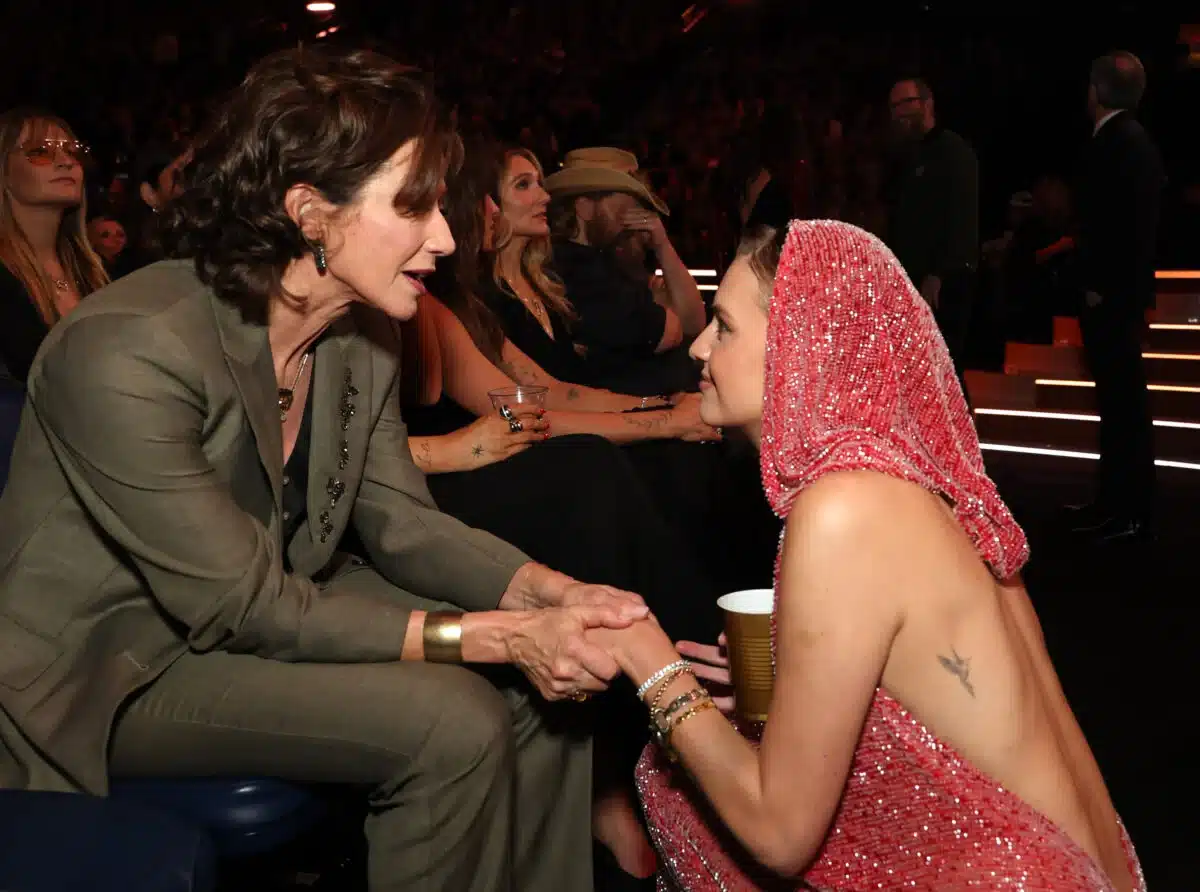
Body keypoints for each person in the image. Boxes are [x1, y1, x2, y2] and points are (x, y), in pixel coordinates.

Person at [0, 47, 649, 892]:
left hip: (266, 606)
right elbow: (242, 604)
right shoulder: (126, 348)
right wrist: (497, 636)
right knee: (453, 721)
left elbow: (402, 522)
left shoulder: (363, 331)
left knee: (547, 695)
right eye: (414, 206)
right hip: (114, 667)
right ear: (309, 211)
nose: (446, 238)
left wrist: (549, 594)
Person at [592, 221, 1145, 891]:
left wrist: (651, 663)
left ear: (803, 347)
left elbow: (779, 835)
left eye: (726, 326)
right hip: (1084, 875)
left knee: (675, 779)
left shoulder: (843, 510)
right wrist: (795, 696)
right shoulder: (916, 486)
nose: (700, 345)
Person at [1069, 51, 1164, 543]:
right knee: (1117, 402)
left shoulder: (1121, 142)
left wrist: (1101, 288)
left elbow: (1121, 227)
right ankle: (1115, 502)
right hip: (1115, 295)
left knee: (1123, 404)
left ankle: (1128, 508)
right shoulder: (1129, 140)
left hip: (1112, 297)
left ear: (1097, 89)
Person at [886, 77, 979, 399]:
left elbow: (961, 218)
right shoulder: (909, 158)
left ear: (926, 104)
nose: (898, 114)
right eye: (893, 107)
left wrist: (939, 273)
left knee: (944, 370)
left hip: (945, 284)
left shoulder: (952, 152)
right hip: (916, 282)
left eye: (904, 104)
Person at [0, 108, 108, 382]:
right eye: (40, 151)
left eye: (73, 152)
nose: (66, 162)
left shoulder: (96, 272)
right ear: (5, 172)